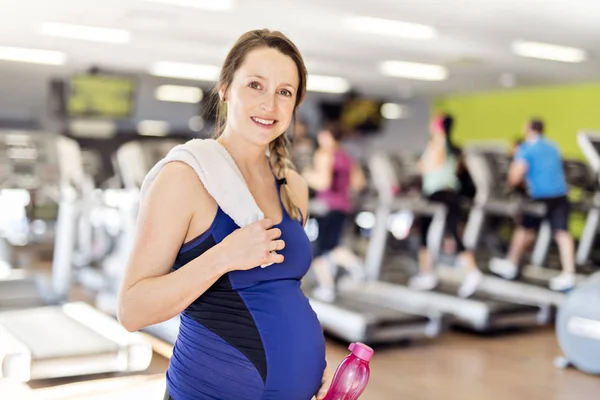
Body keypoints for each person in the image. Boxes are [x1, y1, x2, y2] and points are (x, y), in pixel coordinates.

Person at [117, 29, 333, 400]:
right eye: (255, 85)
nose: (270, 104)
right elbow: (132, 310)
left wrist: (312, 364)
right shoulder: (185, 178)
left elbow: (280, 290)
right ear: (225, 88)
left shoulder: (293, 186)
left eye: (285, 92)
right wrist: (225, 256)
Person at [490, 118, 576, 291]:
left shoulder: (526, 148)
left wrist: (509, 184)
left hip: (540, 196)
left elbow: (515, 177)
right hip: (560, 195)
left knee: (524, 229)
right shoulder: (553, 146)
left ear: (528, 129)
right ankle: (569, 273)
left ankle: (512, 264)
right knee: (562, 233)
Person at [408, 113, 483, 298]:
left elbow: (432, 165)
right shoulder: (453, 147)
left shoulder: (437, 142)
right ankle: (468, 271)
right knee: (453, 233)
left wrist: (422, 166)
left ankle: (429, 273)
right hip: (451, 194)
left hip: (436, 194)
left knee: (424, 233)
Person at [303, 123, 366, 302]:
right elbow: (358, 184)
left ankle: (328, 287)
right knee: (331, 247)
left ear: (327, 137)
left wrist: (306, 175)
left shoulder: (324, 155)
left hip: (327, 207)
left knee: (319, 252)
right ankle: (354, 266)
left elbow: (323, 182)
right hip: (343, 207)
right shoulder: (347, 157)